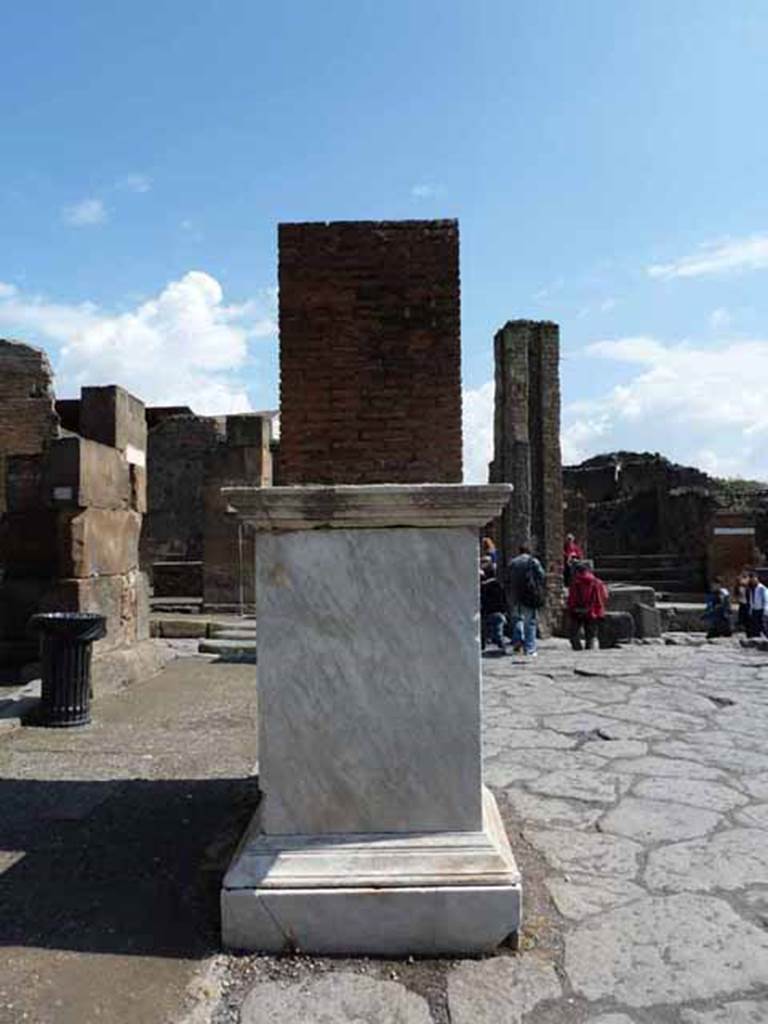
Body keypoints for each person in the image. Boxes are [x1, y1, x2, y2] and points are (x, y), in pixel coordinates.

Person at [506, 543, 546, 657]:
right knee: (530, 622)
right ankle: (530, 648)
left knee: (517, 620)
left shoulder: (512, 562)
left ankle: (517, 644)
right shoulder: (533, 561)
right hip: (528, 595)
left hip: (514, 595)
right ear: (529, 551)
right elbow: (541, 575)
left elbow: (507, 579)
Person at [567, 562, 608, 650]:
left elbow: (572, 597)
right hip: (593, 611)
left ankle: (577, 649)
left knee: (574, 633)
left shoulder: (575, 582)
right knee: (591, 634)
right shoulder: (597, 582)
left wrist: (571, 608)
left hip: (577, 610)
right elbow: (604, 596)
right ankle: (589, 650)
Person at [480, 556, 507, 652]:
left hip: (488, 610)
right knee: (498, 631)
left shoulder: (483, 586)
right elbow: (502, 598)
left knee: (486, 630)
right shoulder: (497, 585)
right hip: (495, 610)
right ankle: (501, 647)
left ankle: (485, 645)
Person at [747, 571, 768, 638]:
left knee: (763, 626)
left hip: (761, 609)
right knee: (755, 626)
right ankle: (757, 639)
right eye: (751, 579)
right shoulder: (751, 588)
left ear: (757, 578)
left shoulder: (762, 588)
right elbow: (751, 600)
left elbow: (766, 600)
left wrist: (765, 610)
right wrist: (750, 610)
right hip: (754, 609)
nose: (753, 580)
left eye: (754, 578)